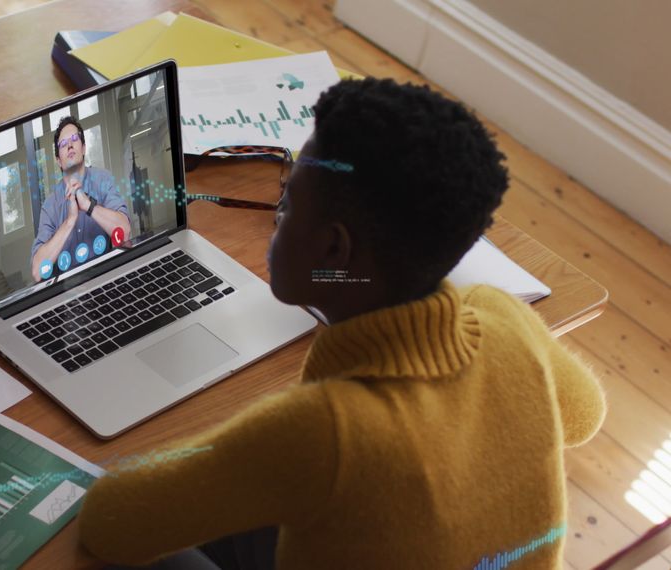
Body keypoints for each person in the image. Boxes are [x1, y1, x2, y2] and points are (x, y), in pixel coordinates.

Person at [77, 78, 606, 569]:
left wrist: (238, 446)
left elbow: (109, 521)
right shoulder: (505, 318)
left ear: (333, 249)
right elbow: (584, 415)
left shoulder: (324, 431)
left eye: (285, 206)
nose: (276, 219)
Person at [30, 116, 131, 281]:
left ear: (83, 148)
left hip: (107, 280)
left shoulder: (102, 179)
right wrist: (70, 220)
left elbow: (125, 232)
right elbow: (37, 272)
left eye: (74, 139)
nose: (69, 145)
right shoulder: (50, 206)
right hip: (68, 294)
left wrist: (88, 206)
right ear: (58, 161)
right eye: (63, 144)